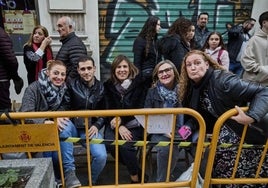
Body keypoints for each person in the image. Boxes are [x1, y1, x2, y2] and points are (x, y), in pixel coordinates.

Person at [179, 50, 268, 187]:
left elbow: (263, 91)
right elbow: (200, 116)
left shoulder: (223, 80)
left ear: (207, 64)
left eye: (197, 63)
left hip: (247, 135)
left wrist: (251, 116)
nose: (193, 67)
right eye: (189, 65)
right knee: (222, 177)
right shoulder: (194, 88)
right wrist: (185, 131)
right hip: (226, 137)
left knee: (246, 180)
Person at [19, 60, 81, 188]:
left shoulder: (65, 88)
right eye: (56, 73)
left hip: (61, 128)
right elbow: (25, 113)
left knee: (65, 126)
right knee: (50, 142)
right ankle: (55, 177)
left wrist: (58, 117)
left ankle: (69, 172)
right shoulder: (33, 88)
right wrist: (47, 120)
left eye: (63, 74)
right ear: (47, 72)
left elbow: (67, 108)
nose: (59, 77)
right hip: (41, 131)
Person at [103, 54, 147, 183]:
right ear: (114, 70)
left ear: (130, 68)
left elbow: (139, 106)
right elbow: (107, 108)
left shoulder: (139, 83)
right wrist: (118, 124)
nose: (122, 70)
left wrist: (121, 122)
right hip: (115, 122)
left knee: (125, 145)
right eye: (118, 67)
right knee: (110, 143)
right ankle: (137, 170)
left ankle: (135, 178)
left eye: (124, 66)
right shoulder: (108, 85)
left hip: (135, 123)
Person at [65, 55, 107, 185]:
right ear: (78, 70)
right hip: (72, 126)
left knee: (101, 156)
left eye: (89, 68)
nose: (86, 72)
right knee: (63, 129)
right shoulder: (71, 85)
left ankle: (91, 181)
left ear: (94, 69)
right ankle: (69, 173)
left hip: (89, 129)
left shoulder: (102, 88)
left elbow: (104, 112)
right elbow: (65, 106)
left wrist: (97, 125)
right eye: (83, 69)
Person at [144, 60, 185, 182]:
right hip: (159, 131)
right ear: (157, 76)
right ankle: (162, 182)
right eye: (160, 72)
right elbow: (147, 114)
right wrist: (163, 131)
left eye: (167, 70)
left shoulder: (184, 89)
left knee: (196, 145)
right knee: (167, 148)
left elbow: (191, 115)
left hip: (182, 128)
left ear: (174, 72)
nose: (164, 74)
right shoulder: (152, 92)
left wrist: (184, 132)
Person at [133, 15, 162, 88]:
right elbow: (137, 62)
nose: (160, 27)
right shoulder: (140, 41)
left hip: (155, 78)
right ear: (152, 25)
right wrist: (139, 79)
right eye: (158, 24)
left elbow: (159, 60)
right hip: (144, 78)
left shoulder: (156, 42)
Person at [241, 11, 268, 86]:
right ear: (264, 23)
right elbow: (246, 62)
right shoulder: (254, 40)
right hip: (254, 84)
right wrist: (264, 70)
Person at [0, 27, 24, 112]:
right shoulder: (1, 34)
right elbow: (10, 59)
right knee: (4, 111)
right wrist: (15, 77)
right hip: (1, 80)